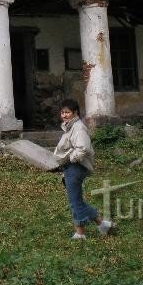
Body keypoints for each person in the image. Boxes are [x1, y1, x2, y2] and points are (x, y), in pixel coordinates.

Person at [53, 99, 114, 239]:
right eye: (62, 112)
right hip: (71, 167)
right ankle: (103, 225)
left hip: (76, 167)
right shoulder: (69, 127)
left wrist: (70, 159)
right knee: (77, 200)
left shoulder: (78, 127)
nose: (64, 115)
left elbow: (83, 149)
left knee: (74, 202)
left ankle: (80, 233)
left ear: (75, 113)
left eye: (67, 112)